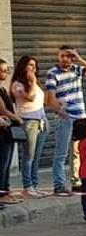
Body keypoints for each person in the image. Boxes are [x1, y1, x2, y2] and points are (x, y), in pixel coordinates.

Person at [46, 46, 86, 196]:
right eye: (63, 56)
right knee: (62, 152)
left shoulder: (77, 69)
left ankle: (77, 182)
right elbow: (50, 98)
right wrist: (60, 111)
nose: (66, 59)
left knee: (79, 152)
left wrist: (80, 58)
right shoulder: (52, 73)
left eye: (69, 56)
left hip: (80, 117)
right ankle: (59, 184)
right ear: (58, 57)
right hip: (66, 118)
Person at [11, 56, 47, 198]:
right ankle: (27, 186)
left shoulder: (34, 83)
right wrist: (32, 81)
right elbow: (30, 97)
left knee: (37, 156)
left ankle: (34, 185)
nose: (32, 68)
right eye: (29, 65)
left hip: (41, 120)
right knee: (29, 156)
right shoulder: (18, 84)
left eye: (34, 65)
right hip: (29, 121)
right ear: (23, 67)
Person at [0, 59, 22, 205]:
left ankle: (6, 191)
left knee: (6, 164)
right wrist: (17, 118)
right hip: (2, 131)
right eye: (2, 70)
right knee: (2, 164)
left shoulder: (2, 89)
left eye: (7, 70)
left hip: (8, 130)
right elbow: (3, 110)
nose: (6, 73)